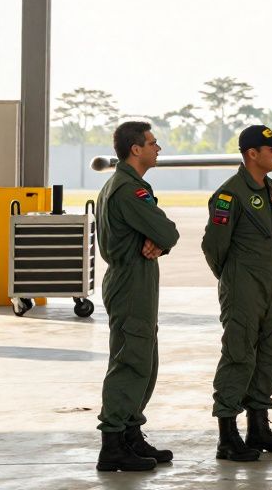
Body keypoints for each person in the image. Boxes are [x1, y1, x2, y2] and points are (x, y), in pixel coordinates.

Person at [201, 125, 272, 461]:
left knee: (269, 353)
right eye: (271, 150)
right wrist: (232, 278)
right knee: (239, 354)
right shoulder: (229, 195)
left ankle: (258, 427)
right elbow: (213, 247)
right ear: (252, 154)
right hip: (242, 286)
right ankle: (227, 436)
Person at [94, 121, 181, 472]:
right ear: (136, 149)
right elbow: (168, 230)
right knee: (130, 362)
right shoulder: (129, 190)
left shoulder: (126, 186)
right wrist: (161, 238)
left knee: (144, 360)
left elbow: (160, 236)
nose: (157, 148)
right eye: (152, 142)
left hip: (136, 279)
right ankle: (112, 444)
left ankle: (130, 434)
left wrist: (157, 243)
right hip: (131, 281)